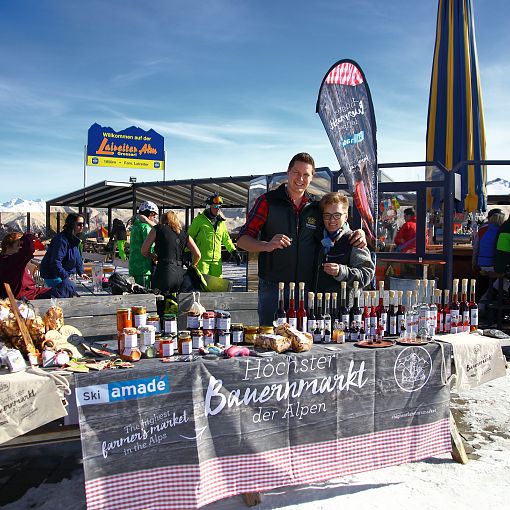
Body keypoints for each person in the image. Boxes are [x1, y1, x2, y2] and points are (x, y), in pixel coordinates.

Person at [237, 152, 366, 325]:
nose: (300, 178)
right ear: (288, 172)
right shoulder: (268, 201)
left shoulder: (315, 206)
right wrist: (266, 245)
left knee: (304, 338)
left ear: (312, 177)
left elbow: (335, 224)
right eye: (296, 172)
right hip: (273, 286)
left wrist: (358, 233)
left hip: (307, 288)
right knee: (269, 337)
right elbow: (242, 240)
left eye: (306, 174)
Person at [315, 192, 374, 298]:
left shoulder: (354, 240)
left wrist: (342, 272)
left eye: (337, 215)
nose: (332, 220)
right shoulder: (315, 237)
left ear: (346, 217)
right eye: (327, 215)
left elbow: (366, 275)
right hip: (316, 306)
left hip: (344, 309)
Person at [141, 211, 201, 294]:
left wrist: (153, 256)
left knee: (160, 303)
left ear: (162, 220)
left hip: (164, 272)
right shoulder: (184, 234)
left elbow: (144, 251)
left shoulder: (158, 229)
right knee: (175, 304)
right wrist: (193, 266)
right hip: (181, 274)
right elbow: (198, 255)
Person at [0, 232, 74, 299]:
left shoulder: (13, 260)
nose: (21, 248)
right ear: (7, 246)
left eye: (22, 245)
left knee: (67, 286)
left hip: (33, 292)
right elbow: (28, 250)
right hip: (24, 297)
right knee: (64, 290)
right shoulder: (7, 261)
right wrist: (28, 236)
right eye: (19, 245)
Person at [188, 193, 241, 277]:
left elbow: (226, 239)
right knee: (202, 286)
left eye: (219, 207)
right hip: (202, 261)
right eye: (216, 207)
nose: (218, 209)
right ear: (209, 207)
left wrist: (234, 251)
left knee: (216, 287)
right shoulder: (199, 220)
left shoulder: (221, 222)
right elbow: (189, 238)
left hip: (217, 262)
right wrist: (186, 253)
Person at [39, 213, 88, 295]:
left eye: (83, 224)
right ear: (72, 224)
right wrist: (65, 277)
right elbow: (55, 262)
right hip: (54, 276)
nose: (82, 226)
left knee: (75, 290)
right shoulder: (61, 240)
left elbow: (77, 257)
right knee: (72, 290)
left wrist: (81, 272)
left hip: (63, 275)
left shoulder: (74, 239)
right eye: (79, 224)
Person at [129, 201, 159, 287]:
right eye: (154, 215)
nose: (154, 218)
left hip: (134, 266)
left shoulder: (135, 226)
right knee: (145, 296)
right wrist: (155, 256)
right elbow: (150, 246)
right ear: (150, 214)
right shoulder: (145, 227)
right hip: (144, 268)